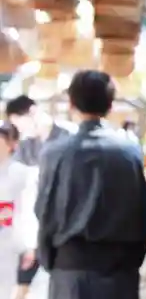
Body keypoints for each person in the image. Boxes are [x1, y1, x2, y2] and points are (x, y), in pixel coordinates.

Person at [35, 70, 146, 299]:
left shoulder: (55, 153)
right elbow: (141, 213)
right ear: (110, 105)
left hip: (70, 270)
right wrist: (133, 264)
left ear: (71, 103)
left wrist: (50, 262)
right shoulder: (130, 153)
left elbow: (45, 212)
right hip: (120, 272)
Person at [5, 95, 77, 299]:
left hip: (67, 222)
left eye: (18, 122)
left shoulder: (69, 136)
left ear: (32, 112)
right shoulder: (26, 146)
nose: (18, 129)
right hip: (35, 224)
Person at [0, 122, 39, 299]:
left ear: (12, 144)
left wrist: (30, 246)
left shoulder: (23, 174)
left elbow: (29, 210)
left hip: (10, 243)